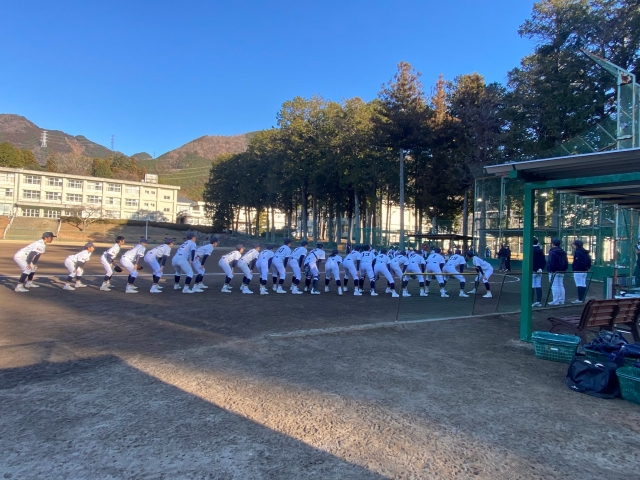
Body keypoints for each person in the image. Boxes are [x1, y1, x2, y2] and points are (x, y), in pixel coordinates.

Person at [547, 237, 568, 305]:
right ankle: (561, 300)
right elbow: (566, 262)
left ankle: (556, 301)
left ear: (553, 244)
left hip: (554, 271)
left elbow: (551, 262)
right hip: (562, 271)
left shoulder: (552, 251)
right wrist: (564, 269)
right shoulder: (563, 251)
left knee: (554, 286)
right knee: (560, 285)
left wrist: (550, 269)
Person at [571, 239, 592, 304]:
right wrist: (587, 268)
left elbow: (578, 263)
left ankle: (580, 299)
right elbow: (589, 261)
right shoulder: (584, 252)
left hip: (578, 271)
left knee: (579, 284)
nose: (573, 246)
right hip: (584, 271)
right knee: (583, 284)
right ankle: (582, 299)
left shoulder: (578, 252)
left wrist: (574, 268)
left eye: (574, 245)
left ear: (576, 245)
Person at [531, 237, 546, 307]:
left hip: (533, 270)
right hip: (539, 270)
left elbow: (531, 261)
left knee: (532, 286)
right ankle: (538, 301)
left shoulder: (531, 250)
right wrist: (540, 268)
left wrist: (535, 269)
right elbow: (544, 261)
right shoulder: (540, 250)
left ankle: (530, 301)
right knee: (538, 285)